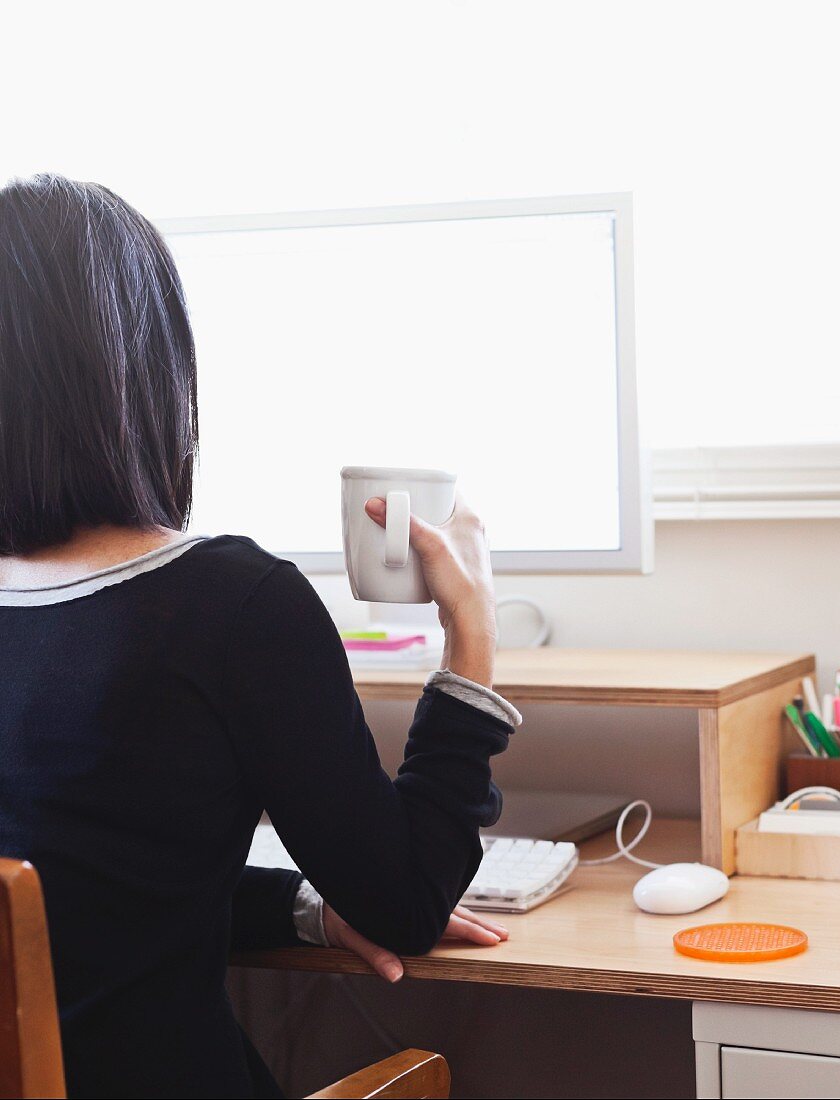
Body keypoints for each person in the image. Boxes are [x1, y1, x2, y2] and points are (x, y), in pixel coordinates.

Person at [0, 174, 518, 1098]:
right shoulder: (227, 606)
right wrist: (470, 636)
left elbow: (67, 895)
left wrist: (302, 908)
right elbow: (404, 901)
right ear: (147, 370)